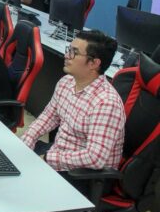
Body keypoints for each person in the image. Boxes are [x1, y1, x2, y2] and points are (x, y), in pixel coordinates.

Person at [21, 30, 125, 194]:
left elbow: (95, 158)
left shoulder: (106, 103)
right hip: (59, 154)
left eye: (74, 52)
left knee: (22, 186)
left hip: (86, 176)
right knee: (12, 162)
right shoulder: (66, 82)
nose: (67, 55)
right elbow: (49, 116)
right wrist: (27, 140)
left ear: (94, 63)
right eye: (68, 49)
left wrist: (48, 158)